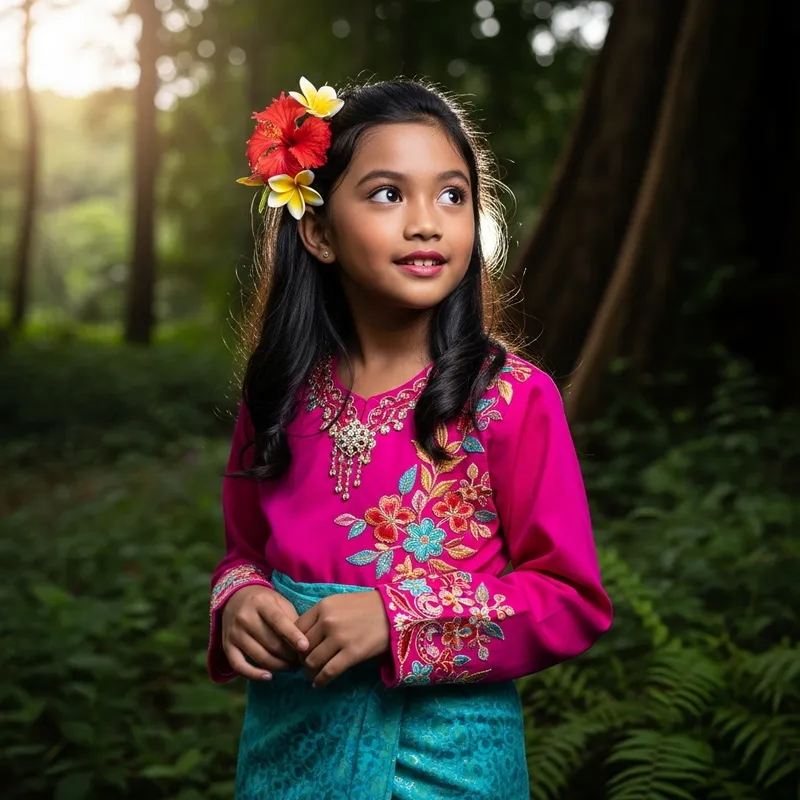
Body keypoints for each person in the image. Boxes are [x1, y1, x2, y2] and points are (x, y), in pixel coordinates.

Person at [207, 75, 613, 800]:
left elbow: (570, 599)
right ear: (320, 231)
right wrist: (240, 601)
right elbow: (245, 555)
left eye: (452, 195)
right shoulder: (277, 395)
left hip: (451, 767)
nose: (427, 222)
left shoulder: (511, 401)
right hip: (287, 754)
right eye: (388, 193)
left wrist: (399, 619)